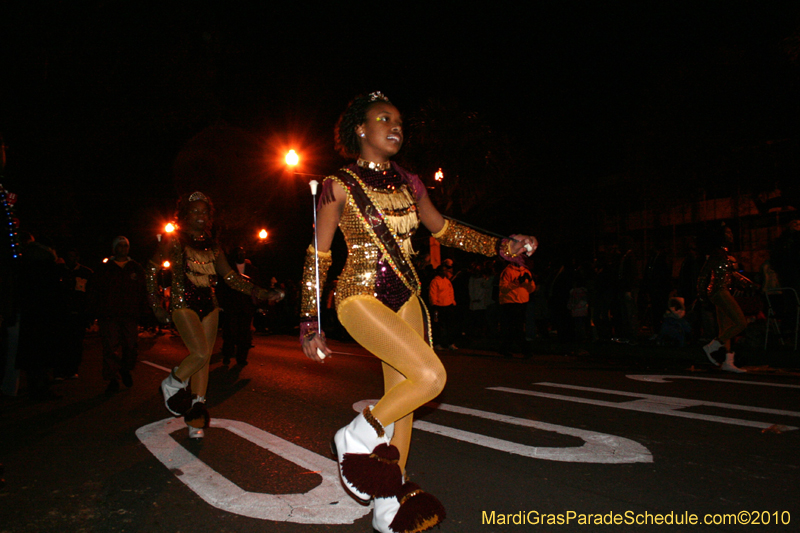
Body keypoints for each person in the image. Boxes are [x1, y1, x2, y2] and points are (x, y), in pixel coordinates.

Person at [299, 92, 537, 533]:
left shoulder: (411, 184)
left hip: (408, 295)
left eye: (400, 122)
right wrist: (310, 319)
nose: (395, 127)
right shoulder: (337, 185)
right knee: (432, 377)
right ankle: (355, 434)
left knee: (408, 400)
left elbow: (443, 229)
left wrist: (502, 247)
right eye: (383, 119)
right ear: (360, 130)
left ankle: (388, 504)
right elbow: (320, 256)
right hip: (360, 295)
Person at [147, 192, 283, 439]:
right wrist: (156, 304)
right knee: (198, 352)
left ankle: (195, 418)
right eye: (196, 211)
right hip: (182, 302)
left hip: (209, 305)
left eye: (205, 212)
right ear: (185, 214)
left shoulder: (213, 246)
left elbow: (231, 278)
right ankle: (173, 382)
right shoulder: (174, 240)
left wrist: (262, 292)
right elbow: (151, 269)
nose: (201, 216)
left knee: (204, 361)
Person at [91, 236, 147, 395]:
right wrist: (93, 311)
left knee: (130, 345)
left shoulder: (135, 268)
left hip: (130, 314)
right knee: (110, 347)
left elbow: (143, 290)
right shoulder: (105, 268)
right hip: (109, 315)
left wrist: (145, 310)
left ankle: (125, 368)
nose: (123, 249)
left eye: (126, 246)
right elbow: (95, 290)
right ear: (114, 249)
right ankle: (112, 379)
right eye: (120, 246)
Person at [698, 223, 754, 373]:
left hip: (721, 291)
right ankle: (714, 345)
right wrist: (702, 297)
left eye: (731, 232)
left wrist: (747, 282)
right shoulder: (717, 253)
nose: (731, 235)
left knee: (726, 327)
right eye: (727, 233)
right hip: (719, 291)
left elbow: (731, 274)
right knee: (740, 322)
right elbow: (704, 275)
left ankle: (728, 361)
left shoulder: (724, 253)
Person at [217, 246, 260, 366]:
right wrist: (221, 303)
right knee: (230, 332)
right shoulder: (228, 269)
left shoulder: (252, 270)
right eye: (239, 252)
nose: (241, 255)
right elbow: (222, 287)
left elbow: (257, 287)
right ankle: (227, 354)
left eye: (243, 252)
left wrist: (257, 304)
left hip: (246, 307)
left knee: (244, 334)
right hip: (231, 306)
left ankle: (242, 358)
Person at [56, 248, 93, 380]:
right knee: (61, 343)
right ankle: (59, 371)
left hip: (78, 314)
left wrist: (88, 315)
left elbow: (90, 295)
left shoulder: (86, 273)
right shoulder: (58, 271)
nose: (71, 258)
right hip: (62, 314)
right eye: (69, 255)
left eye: (74, 255)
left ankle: (72, 369)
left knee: (76, 343)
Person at [498, 260, 536, 357]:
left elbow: (531, 289)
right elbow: (503, 287)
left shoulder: (526, 271)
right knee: (517, 326)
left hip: (522, 302)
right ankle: (525, 350)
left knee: (513, 327)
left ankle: (504, 348)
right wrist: (516, 283)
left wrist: (529, 282)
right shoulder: (507, 271)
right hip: (510, 302)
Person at [428, 264, 457, 350]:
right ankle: (437, 343)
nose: (446, 272)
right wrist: (434, 304)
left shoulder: (447, 281)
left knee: (450, 325)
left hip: (448, 306)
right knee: (438, 326)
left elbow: (450, 292)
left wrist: (452, 301)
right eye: (444, 270)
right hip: (439, 306)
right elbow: (432, 294)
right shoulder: (435, 281)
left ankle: (450, 343)